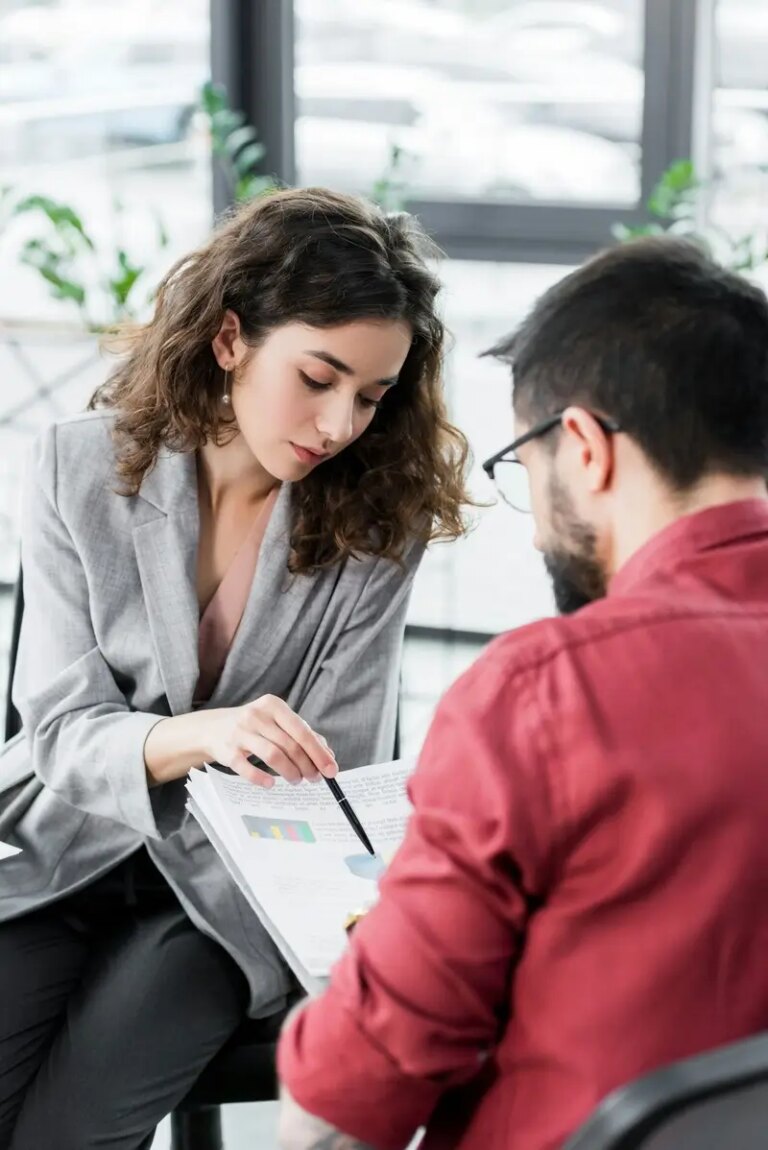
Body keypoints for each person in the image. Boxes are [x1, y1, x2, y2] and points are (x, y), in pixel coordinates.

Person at [0, 187, 471, 1150]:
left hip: (226, 892)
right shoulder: (77, 470)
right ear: (229, 341)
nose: (340, 424)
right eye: (319, 377)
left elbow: (321, 764)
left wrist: (159, 746)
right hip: (62, 849)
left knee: (67, 1136)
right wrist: (204, 734)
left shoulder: (378, 530)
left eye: (372, 397)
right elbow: (54, 730)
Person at [277, 236, 768, 1150]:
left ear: (581, 447)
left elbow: (341, 1111)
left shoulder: (549, 697)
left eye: (524, 467)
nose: (539, 527)